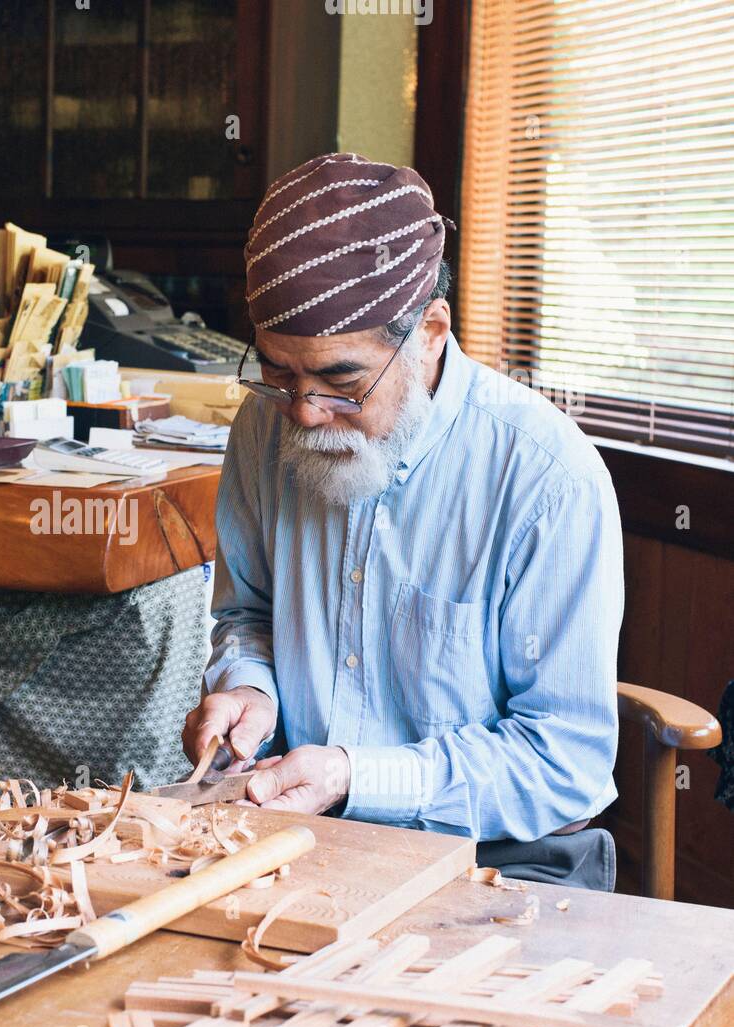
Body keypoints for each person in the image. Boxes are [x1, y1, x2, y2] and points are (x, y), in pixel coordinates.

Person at [183, 153, 624, 889]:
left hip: (496, 860)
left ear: (429, 332)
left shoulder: (546, 477)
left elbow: (564, 762)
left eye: (342, 380)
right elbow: (248, 613)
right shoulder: (265, 429)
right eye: (278, 372)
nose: (304, 411)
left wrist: (358, 776)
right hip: (292, 835)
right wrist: (250, 690)